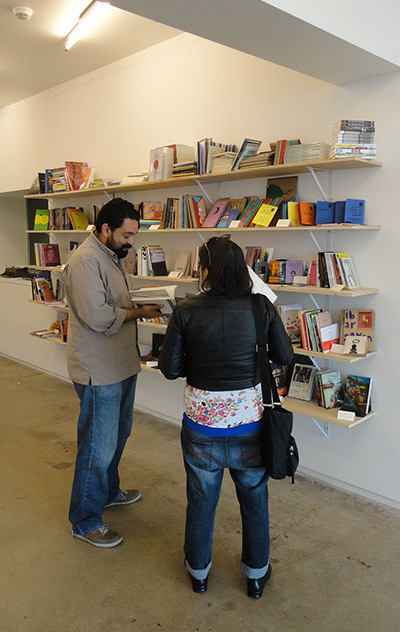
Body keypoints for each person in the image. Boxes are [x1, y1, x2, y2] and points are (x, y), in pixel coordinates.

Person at [158, 236, 293, 598]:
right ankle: (255, 575)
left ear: (205, 271)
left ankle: (199, 572)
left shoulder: (186, 310)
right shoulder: (261, 307)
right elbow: (284, 354)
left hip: (201, 425)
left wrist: (196, 360)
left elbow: (169, 370)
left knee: (201, 499)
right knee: (254, 498)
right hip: (250, 423)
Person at [64, 198, 163, 548]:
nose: (131, 242)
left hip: (121, 363)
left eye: (134, 235)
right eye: (126, 234)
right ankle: (85, 520)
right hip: (98, 369)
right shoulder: (85, 261)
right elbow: (99, 316)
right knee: (97, 448)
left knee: (118, 436)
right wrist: (139, 313)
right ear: (105, 229)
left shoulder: (111, 255)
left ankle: (107, 492)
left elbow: (115, 302)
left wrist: (140, 306)